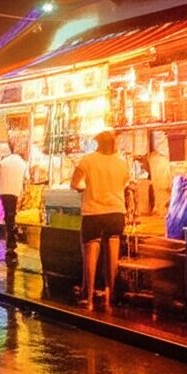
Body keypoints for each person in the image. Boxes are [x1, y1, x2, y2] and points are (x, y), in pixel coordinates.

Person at [71, 130, 129, 310]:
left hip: (93, 212)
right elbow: (124, 184)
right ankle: (109, 298)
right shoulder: (122, 163)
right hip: (116, 212)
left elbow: (75, 183)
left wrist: (85, 188)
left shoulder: (88, 160)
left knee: (90, 253)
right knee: (112, 255)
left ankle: (88, 299)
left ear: (98, 143)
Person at [0, 142, 27, 255]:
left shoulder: (3, 162)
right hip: (15, 191)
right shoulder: (22, 163)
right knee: (11, 215)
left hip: (4, 191)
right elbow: (26, 179)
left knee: (8, 215)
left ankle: (11, 238)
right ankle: (11, 239)